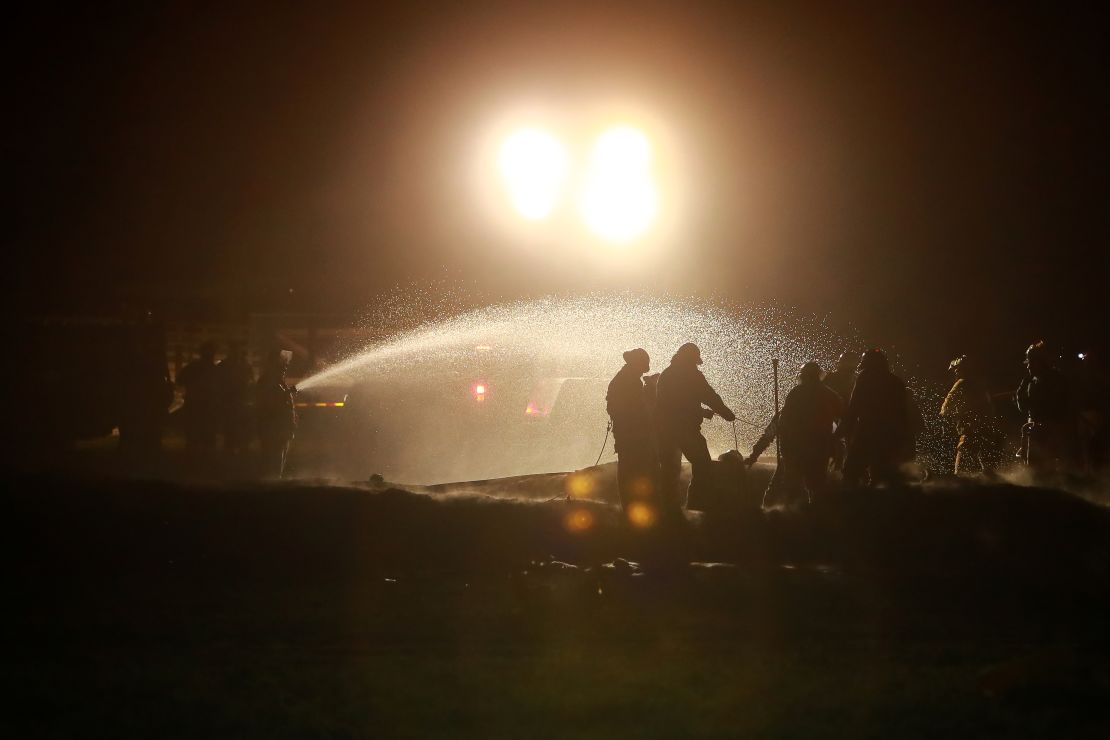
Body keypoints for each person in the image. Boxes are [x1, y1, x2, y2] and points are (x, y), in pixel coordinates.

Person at [747, 361, 843, 507]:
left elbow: (775, 426)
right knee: (817, 488)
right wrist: (838, 447)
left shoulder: (796, 394)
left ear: (802, 376)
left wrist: (755, 453)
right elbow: (846, 419)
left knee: (786, 486)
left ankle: (774, 516)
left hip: (794, 450)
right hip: (819, 450)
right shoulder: (829, 395)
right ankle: (815, 519)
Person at [655, 343, 735, 515]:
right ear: (692, 359)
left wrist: (703, 412)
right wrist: (725, 413)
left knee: (669, 470)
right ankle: (697, 506)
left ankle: (667, 510)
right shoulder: (692, 375)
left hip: (665, 432)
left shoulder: (667, 374)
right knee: (703, 465)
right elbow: (708, 396)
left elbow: (668, 405)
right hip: (686, 431)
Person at [840, 349, 913, 486]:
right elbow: (903, 413)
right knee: (882, 473)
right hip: (891, 433)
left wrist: (841, 430)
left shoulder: (865, 378)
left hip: (868, 431)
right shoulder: (896, 381)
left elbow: (854, 407)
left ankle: (852, 504)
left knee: (851, 471)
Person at [606, 348, 660, 520]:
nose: (646, 366)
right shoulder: (629, 382)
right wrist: (651, 391)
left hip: (628, 436)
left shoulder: (625, 379)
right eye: (644, 363)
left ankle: (632, 510)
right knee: (637, 472)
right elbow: (641, 411)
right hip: (635, 437)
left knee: (629, 472)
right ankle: (636, 511)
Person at [117, 328, 174, 468]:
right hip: (150, 398)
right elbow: (165, 375)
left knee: (144, 429)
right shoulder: (155, 357)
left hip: (145, 398)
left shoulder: (138, 358)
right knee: (152, 430)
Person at [1015, 341, 1074, 475]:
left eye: (1031, 362)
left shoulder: (1054, 380)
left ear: (1040, 362)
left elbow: (1058, 406)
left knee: (1042, 467)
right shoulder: (1031, 381)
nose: (1028, 366)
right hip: (1039, 427)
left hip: (1052, 430)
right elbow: (1023, 406)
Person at [939, 355, 995, 474]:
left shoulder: (961, 383)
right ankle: (990, 477)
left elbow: (948, 401)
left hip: (969, 428)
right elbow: (988, 406)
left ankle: (959, 476)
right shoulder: (979, 384)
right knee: (982, 453)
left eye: (956, 370)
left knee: (963, 449)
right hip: (983, 427)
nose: (955, 373)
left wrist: (945, 412)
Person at [256, 349, 297, 477]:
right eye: (281, 364)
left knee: (278, 462)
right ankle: (271, 489)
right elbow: (268, 404)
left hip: (281, 430)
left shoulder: (279, 381)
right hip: (273, 430)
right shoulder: (267, 381)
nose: (285, 367)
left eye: (285, 364)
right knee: (272, 463)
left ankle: (273, 486)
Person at [176, 341, 221, 456]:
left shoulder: (192, 368)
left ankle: (193, 465)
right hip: (208, 410)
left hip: (195, 408)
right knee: (207, 441)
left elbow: (180, 381)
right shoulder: (216, 370)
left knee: (194, 440)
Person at [217, 342, 254, 457]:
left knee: (234, 428)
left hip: (234, 401)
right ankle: (237, 451)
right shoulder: (243, 364)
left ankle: (234, 451)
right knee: (235, 428)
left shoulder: (225, 364)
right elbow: (250, 380)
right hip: (235, 401)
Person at [823, 351, 857, 471]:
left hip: (848, 415)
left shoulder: (857, 379)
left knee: (849, 443)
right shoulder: (833, 377)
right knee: (835, 440)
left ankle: (843, 468)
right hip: (834, 415)